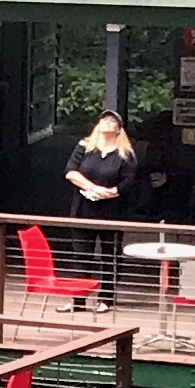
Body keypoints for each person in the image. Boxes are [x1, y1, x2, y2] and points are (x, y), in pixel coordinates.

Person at [65, 107, 140, 300]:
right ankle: (79, 299)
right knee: (82, 257)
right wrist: (93, 188)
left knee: (110, 256)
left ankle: (106, 299)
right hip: (83, 211)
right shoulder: (84, 147)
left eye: (112, 121)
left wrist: (111, 193)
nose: (107, 122)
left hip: (112, 213)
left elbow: (129, 181)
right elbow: (71, 172)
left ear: (119, 129)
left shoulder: (126, 154)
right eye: (104, 119)